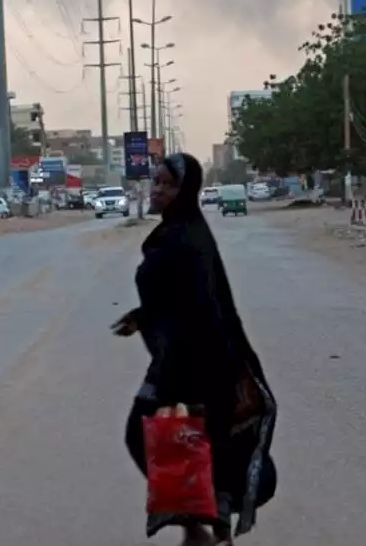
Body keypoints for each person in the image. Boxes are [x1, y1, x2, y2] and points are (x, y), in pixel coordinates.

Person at [112, 153, 278, 545]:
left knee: (145, 436)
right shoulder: (183, 232)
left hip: (190, 364)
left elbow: (198, 307)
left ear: (184, 191)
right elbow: (176, 296)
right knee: (197, 442)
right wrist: (143, 316)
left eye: (166, 184)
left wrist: (178, 373)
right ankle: (207, 521)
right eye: (156, 182)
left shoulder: (182, 238)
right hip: (195, 359)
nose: (157, 190)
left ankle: (200, 524)